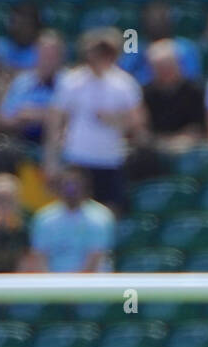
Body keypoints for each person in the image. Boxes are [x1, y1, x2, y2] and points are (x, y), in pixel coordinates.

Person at [47, 27, 144, 215]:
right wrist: (51, 160)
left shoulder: (124, 84)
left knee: (111, 210)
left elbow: (138, 122)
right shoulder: (72, 81)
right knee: (74, 207)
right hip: (78, 157)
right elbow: (56, 121)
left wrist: (114, 119)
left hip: (110, 159)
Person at [26, 167, 115, 272]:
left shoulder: (100, 217)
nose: (71, 189)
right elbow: (39, 256)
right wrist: (51, 283)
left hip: (91, 283)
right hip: (55, 282)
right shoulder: (44, 218)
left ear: (85, 187)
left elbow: (96, 257)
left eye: (76, 184)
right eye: (67, 184)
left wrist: (76, 284)